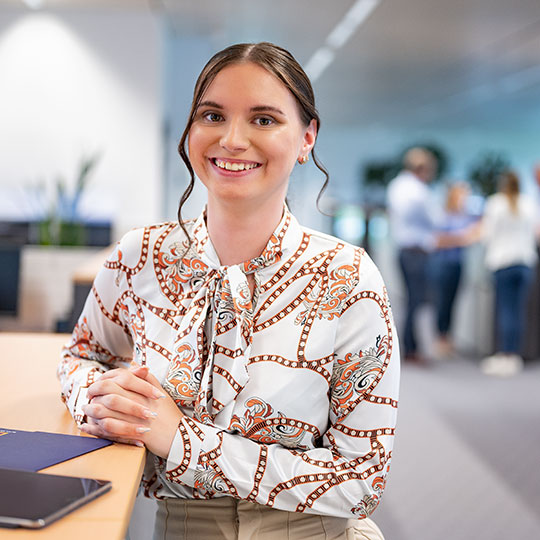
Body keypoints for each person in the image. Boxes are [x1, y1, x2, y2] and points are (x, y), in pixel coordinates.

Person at [57, 42, 400, 539]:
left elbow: (363, 479)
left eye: (264, 119)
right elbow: (81, 355)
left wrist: (179, 440)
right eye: (213, 115)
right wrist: (97, 399)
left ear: (307, 138)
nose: (232, 139)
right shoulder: (141, 255)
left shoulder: (347, 279)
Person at [480, 171, 539, 376]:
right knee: (518, 310)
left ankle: (505, 355)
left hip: (503, 262)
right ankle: (514, 356)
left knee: (506, 310)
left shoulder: (496, 204)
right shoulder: (528, 203)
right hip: (524, 262)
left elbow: (487, 235)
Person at [386, 147, 439, 363]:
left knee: (411, 301)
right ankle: (411, 348)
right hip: (416, 253)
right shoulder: (417, 190)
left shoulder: (396, 185)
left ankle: (410, 347)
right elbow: (434, 220)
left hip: (404, 251)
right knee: (417, 302)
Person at [431, 182, 480, 357]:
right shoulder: (442, 215)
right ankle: (440, 338)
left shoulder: (465, 216)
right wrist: (461, 238)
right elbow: (437, 241)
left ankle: (448, 338)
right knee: (442, 302)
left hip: (458, 264)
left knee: (453, 301)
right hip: (443, 265)